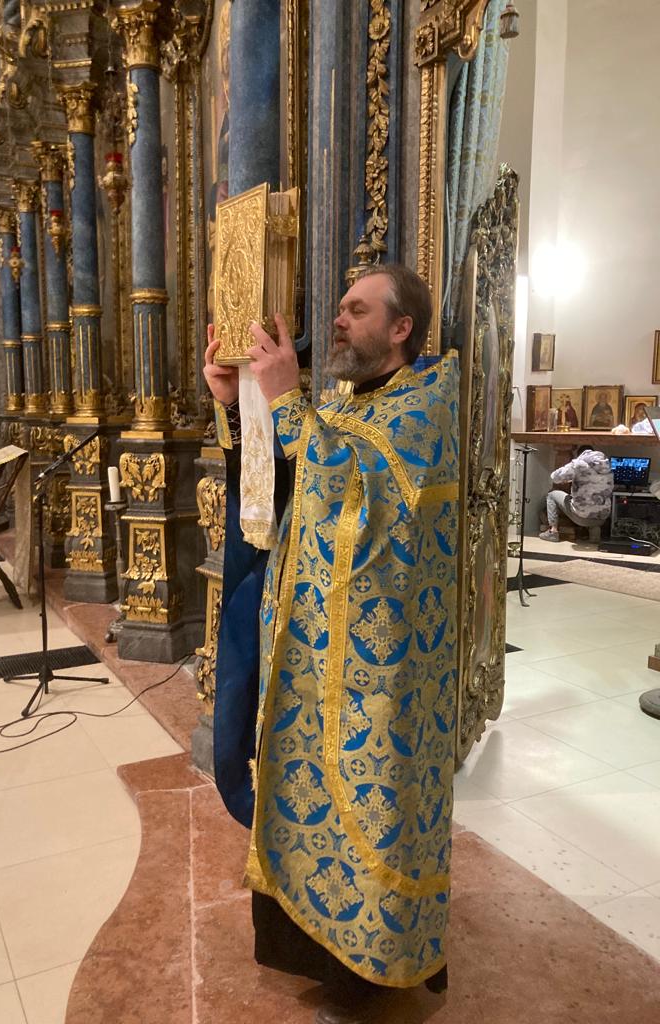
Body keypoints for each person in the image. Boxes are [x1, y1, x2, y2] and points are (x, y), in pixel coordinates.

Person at [204, 265, 459, 1024]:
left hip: (381, 677)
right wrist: (240, 404)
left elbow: (351, 489)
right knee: (300, 794)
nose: (338, 321)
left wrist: (287, 400)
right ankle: (310, 946)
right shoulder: (348, 401)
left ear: (401, 327)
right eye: (340, 308)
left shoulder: (427, 406)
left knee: (373, 811)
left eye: (356, 309)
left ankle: (367, 973)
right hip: (313, 658)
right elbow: (287, 484)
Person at [539, 445, 614, 542]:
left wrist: (570, 475)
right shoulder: (607, 465)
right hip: (602, 518)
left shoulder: (579, 463)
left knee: (552, 495)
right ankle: (595, 535)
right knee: (594, 503)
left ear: (580, 454)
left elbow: (555, 477)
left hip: (581, 517)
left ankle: (553, 532)